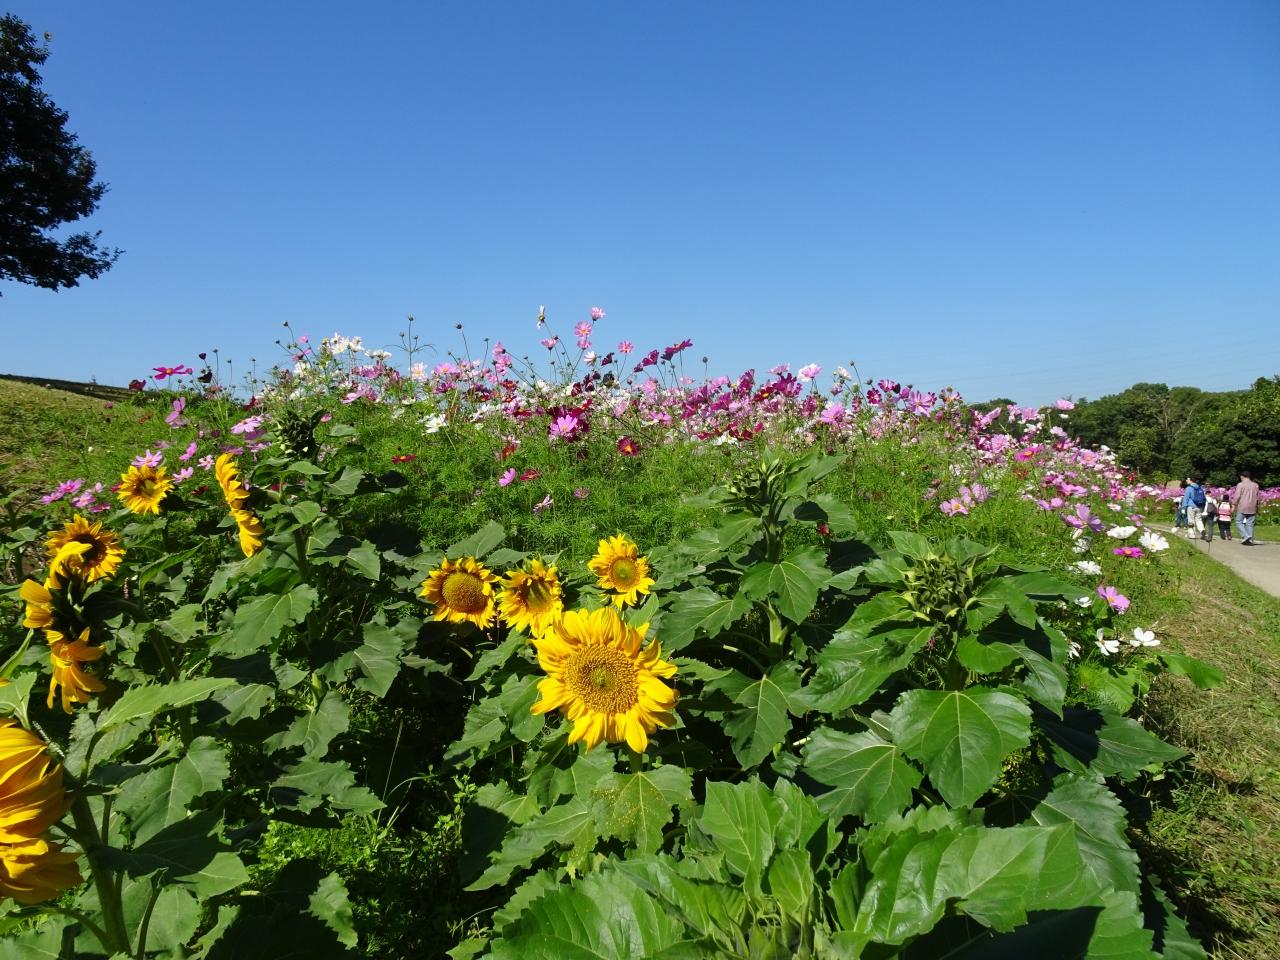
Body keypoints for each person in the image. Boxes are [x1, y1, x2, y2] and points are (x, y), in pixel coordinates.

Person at [1234, 470, 1260, 545]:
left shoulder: (1240, 484)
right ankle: (1250, 540)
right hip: (1253, 506)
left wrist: (1233, 504)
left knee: (1238, 521)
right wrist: (1258, 507)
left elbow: (1237, 496)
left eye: (1240, 477)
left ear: (1242, 476)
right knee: (1250, 524)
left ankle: (1245, 536)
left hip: (1243, 506)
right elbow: (1258, 497)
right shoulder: (1256, 485)